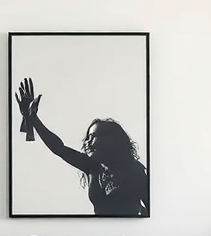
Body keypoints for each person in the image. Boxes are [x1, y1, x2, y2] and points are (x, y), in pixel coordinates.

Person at [15, 77, 149, 216]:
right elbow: (59, 148)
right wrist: (32, 118)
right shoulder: (93, 167)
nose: (88, 142)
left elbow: (153, 210)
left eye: (94, 136)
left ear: (113, 140)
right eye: (88, 137)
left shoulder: (136, 172)